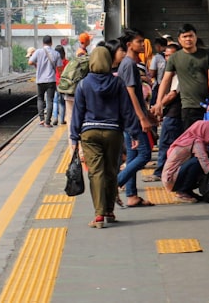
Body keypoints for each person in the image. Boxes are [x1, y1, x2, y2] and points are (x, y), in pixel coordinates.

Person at [70, 46, 141, 228]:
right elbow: (126, 110)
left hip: (90, 133)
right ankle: (109, 211)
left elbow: (77, 113)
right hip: (113, 133)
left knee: (96, 173)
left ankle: (99, 215)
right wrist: (134, 133)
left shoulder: (83, 84)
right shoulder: (118, 83)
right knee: (111, 171)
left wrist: (73, 138)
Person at [115, 29, 155, 207]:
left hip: (128, 117)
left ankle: (131, 195)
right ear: (129, 45)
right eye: (139, 42)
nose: (142, 44)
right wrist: (142, 117)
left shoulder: (126, 63)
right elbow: (131, 93)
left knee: (132, 156)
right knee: (144, 155)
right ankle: (115, 183)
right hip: (133, 118)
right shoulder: (130, 64)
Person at [153, 23, 209, 131]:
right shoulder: (174, 57)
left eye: (191, 36)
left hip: (207, 105)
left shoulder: (207, 55)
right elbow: (165, 80)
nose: (188, 39)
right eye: (185, 36)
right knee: (191, 140)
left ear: (196, 37)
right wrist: (159, 102)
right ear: (179, 39)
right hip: (188, 106)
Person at [146, 42, 183, 182]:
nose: (168, 59)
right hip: (170, 112)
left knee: (165, 143)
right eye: (166, 56)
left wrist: (159, 105)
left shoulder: (179, 73)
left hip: (175, 113)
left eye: (171, 55)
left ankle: (160, 171)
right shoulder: (170, 73)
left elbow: (172, 94)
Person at [162, 120, 209, 202]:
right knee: (197, 163)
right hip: (171, 179)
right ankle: (182, 192)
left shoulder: (190, 139)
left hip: (170, 177)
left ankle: (187, 191)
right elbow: (204, 161)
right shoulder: (195, 142)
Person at [28, 36, 61, 127]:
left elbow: (30, 62)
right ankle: (47, 122)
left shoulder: (38, 52)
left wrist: (37, 64)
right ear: (51, 43)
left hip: (40, 80)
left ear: (43, 43)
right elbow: (59, 67)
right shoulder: (56, 53)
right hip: (51, 80)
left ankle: (42, 119)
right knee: (50, 100)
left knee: (40, 99)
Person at [52, 45, 68, 125]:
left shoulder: (54, 62)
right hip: (63, 83)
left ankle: (55, 117)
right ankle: (62, 119)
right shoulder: (66, 62)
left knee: (55, 101)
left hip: (55, 82)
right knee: (62, 101)